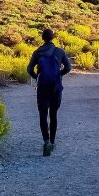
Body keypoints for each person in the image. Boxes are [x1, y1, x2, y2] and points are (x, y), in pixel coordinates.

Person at [26, 28, 71, 156]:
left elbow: (29, 69)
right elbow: (68, 67)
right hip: (56, 86)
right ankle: (52, 141)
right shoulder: (59, 51)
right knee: (53, 114)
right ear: (53, 38)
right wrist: (59, 74)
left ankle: (46, 141)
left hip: (43, 87)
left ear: (42, 38)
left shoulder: (37, 52)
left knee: (42, 114)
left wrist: (37, 77)